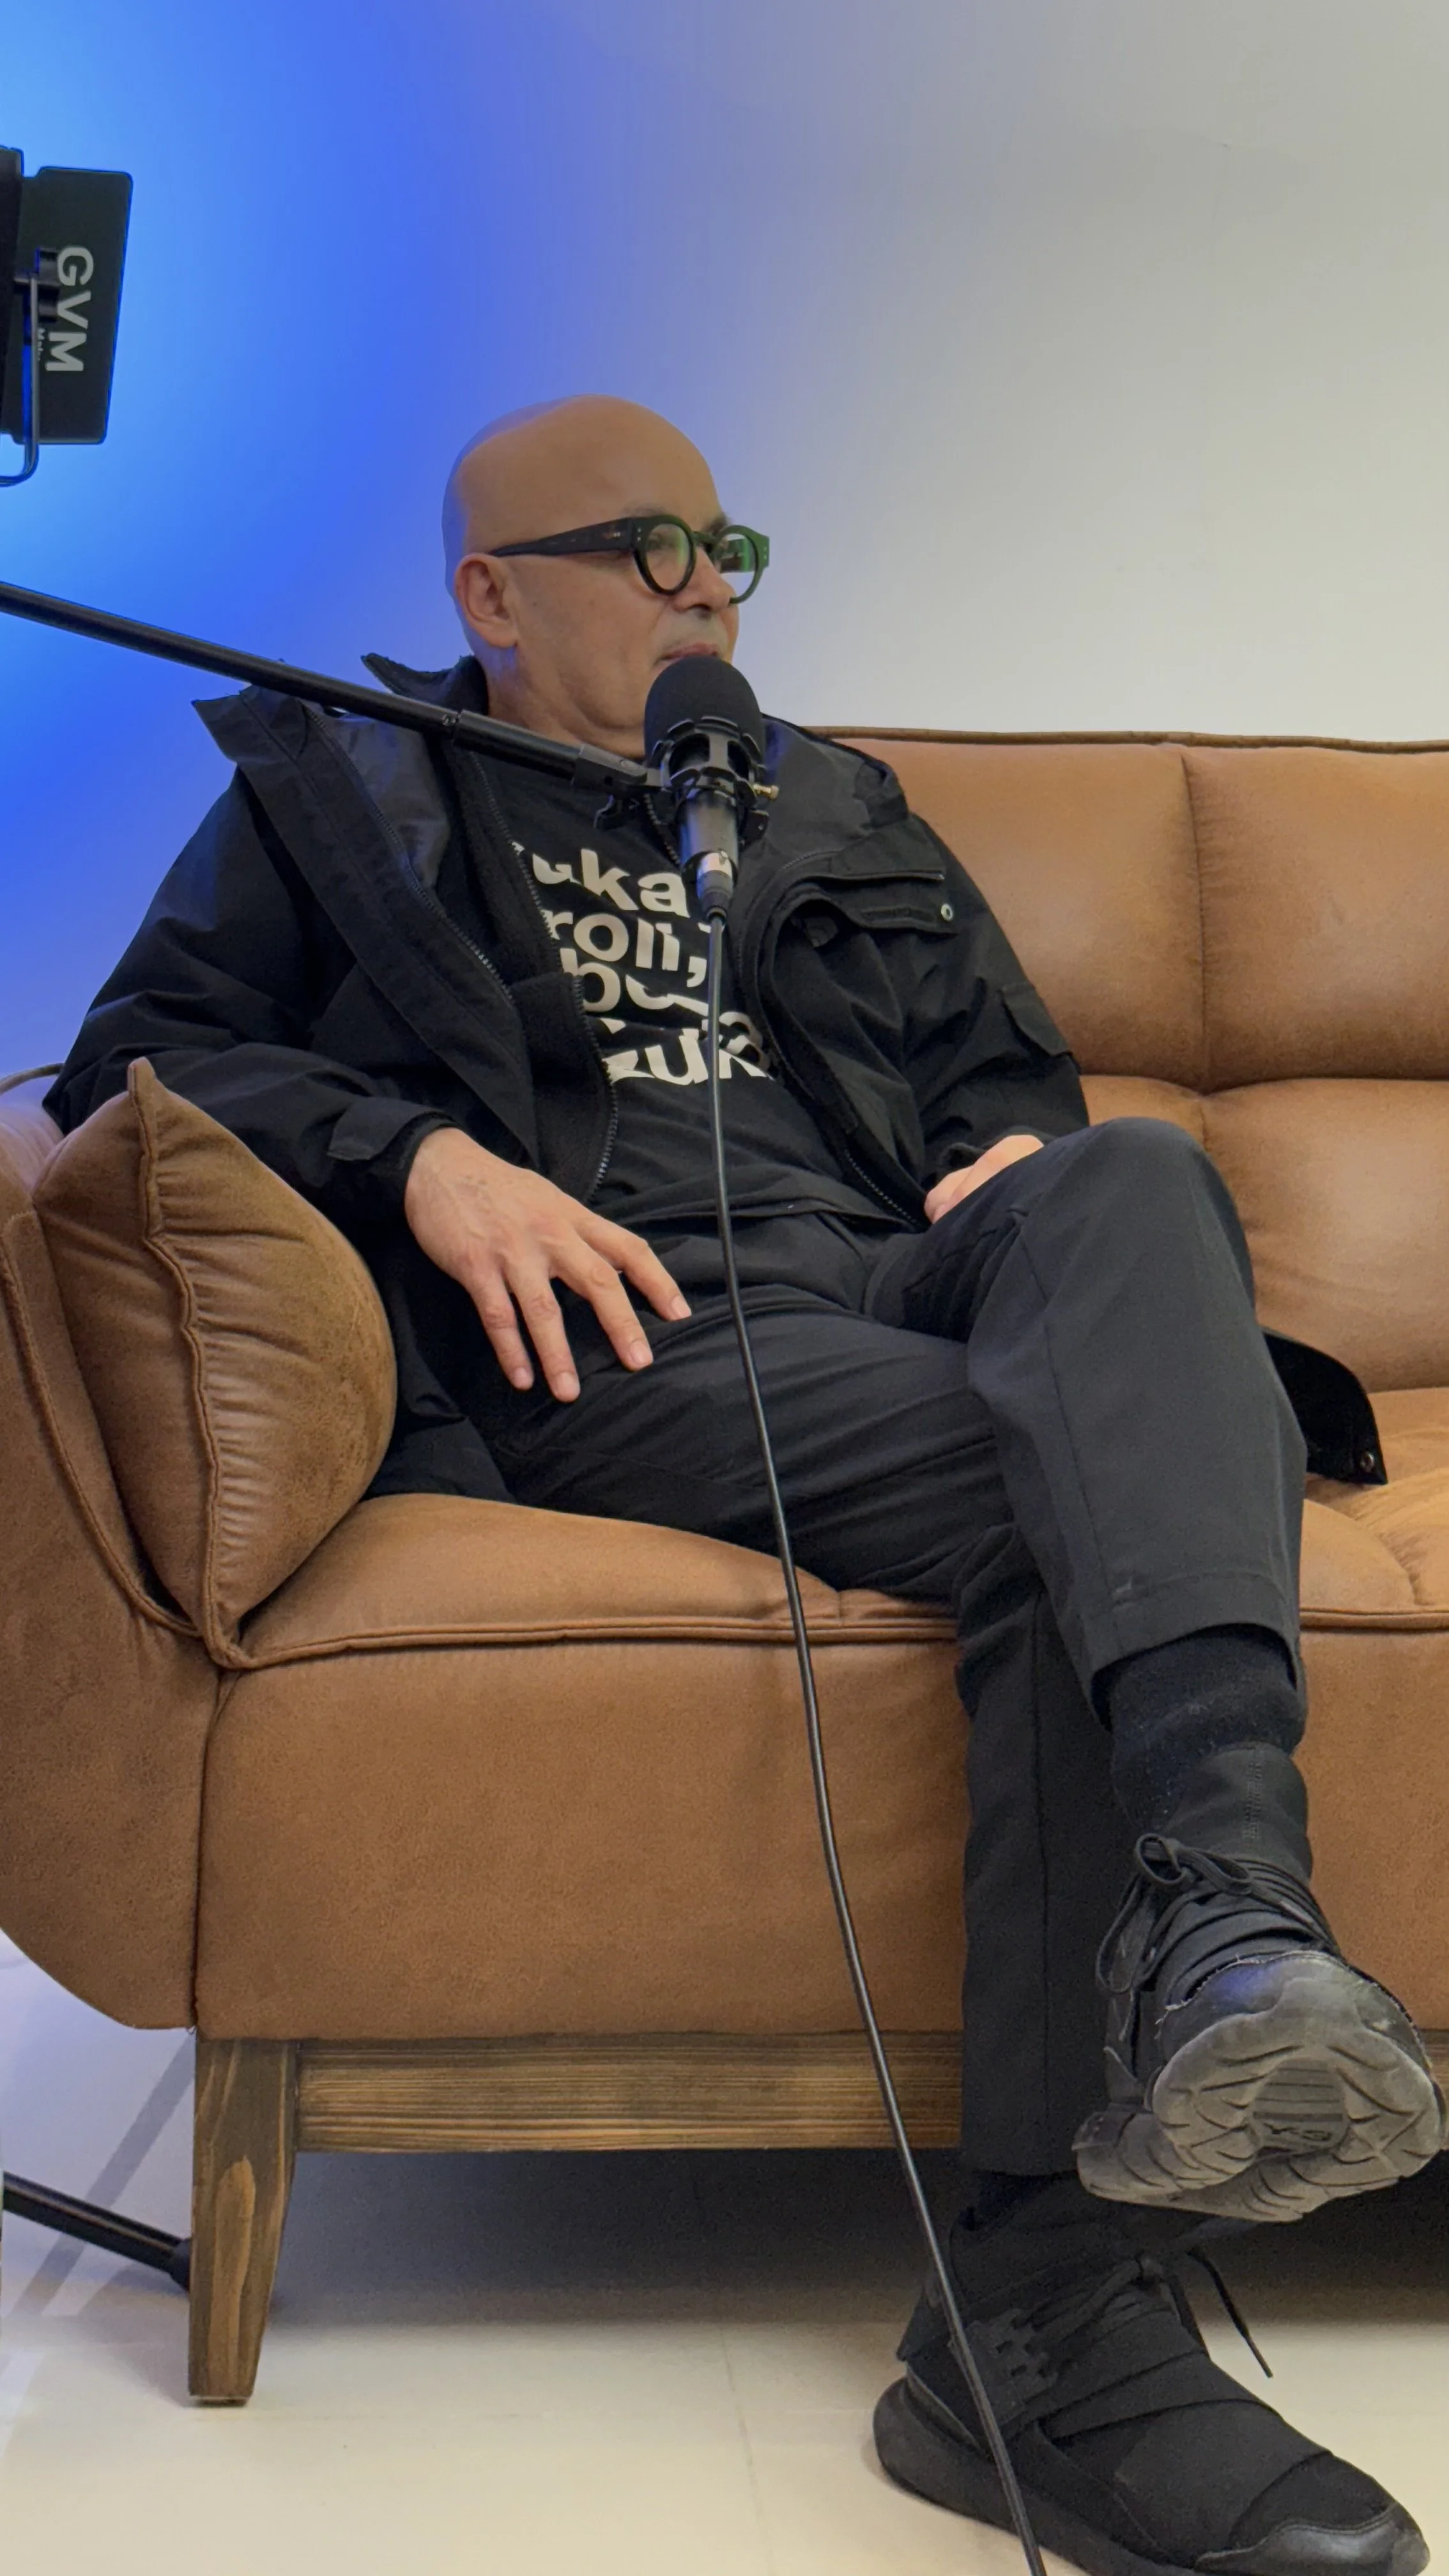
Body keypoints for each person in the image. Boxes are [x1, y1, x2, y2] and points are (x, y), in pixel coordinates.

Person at [49, 395, 1444, 2576]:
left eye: (725, 545)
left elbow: (1007, 1078)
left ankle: (1231, 1938)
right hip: (629, 1328)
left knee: (1133, 1183)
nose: (708, 586)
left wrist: (1006, 1155)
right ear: (491, 597)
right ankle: (1041, 2324)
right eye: (650, 546)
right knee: (1072, 1492)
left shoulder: (831, 800)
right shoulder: (354, 784)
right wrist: (417, 1158)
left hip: (901, 1278)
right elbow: (134, 1054)